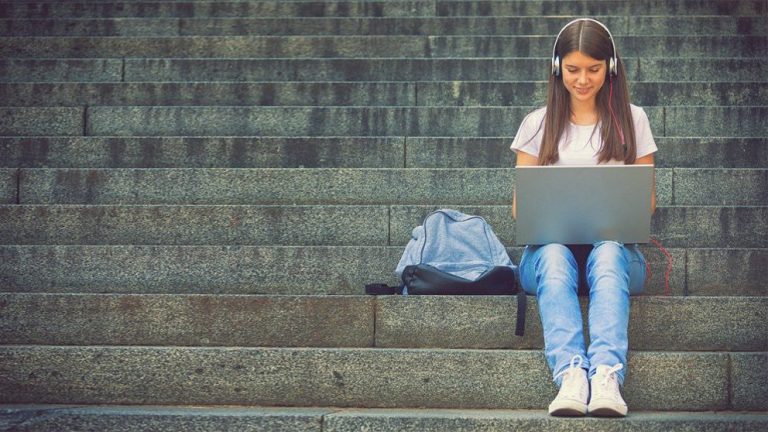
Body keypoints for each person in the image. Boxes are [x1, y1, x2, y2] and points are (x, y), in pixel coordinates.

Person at [510, 18, 658, 417]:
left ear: (611, 67)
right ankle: (572, 373)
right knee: (554, 252)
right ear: (557, 67)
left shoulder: (633, 119)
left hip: (617, 259)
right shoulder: (537, 124)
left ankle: (606, 373)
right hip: (547, 261)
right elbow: (521, 208)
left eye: (593, 69)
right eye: (573, 69)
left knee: (608, 250)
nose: (582, 80)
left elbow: (646, 202)